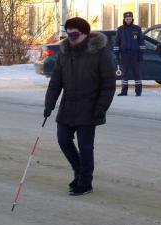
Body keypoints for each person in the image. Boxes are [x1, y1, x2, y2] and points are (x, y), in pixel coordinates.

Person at [44, 17, 116, 196]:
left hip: (89, 108)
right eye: (67, 34)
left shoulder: (99, 53)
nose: (70, 38)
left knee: (85, 148)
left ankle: (85, 183)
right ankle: (79, 171)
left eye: (74, 34)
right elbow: (56, 81)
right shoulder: (65, 52)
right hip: (68, 106)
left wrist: (101, 107)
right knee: (63, 140)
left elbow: (108, 83)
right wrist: (49, 104)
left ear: (85, 33)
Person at [113, 12, 145, 96]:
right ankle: (124, 91)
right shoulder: (120, 29)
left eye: (130, 19)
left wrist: (141, 54)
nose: (128, 20)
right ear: (124, 19)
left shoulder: (137, 28)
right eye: (127, 19)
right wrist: (116, 54)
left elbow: (141, 42)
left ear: (132, 19)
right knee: (124, 74)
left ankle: (138, 92)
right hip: (124, 54)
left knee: (137, 73)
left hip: (135, 54)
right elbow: (116, 42)